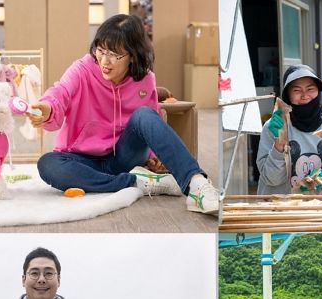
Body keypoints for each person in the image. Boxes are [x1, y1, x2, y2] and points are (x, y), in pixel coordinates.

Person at [28, 14, 219, 215]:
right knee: (48, 164)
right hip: (80, 159)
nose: (104, 60)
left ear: (132, 55)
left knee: (144, 114)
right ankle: (139, 183)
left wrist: (153, 157)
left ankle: (196, 185)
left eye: (114, 54)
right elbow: (61, 91)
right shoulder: (82, 69)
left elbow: (150, 120)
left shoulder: (145, 79)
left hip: (123, 157)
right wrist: (49, 107)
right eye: (100, 50)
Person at [256, 64, 322, 194]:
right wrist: (279, 145)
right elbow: (271, 179)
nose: (304, 96)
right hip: (279, 209)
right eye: (297, 90)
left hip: (319, 209)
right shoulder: (274, 127)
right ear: (287, 95)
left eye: (310, 89)